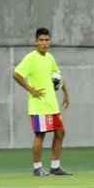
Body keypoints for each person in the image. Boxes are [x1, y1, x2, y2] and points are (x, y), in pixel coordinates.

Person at [11, 27, 72, 177]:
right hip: (38, 105)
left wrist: (66, 93)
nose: (44, 43)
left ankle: (55, 167)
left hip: (52, 104)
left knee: (60, 132)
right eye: (41, 40)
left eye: (46, 40)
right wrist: (31, 89)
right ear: (36, 42)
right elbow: (16, 74)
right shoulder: (31, 58)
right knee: (40, 135)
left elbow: (57, 76)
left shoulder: (50, 58)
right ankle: (37, 168)